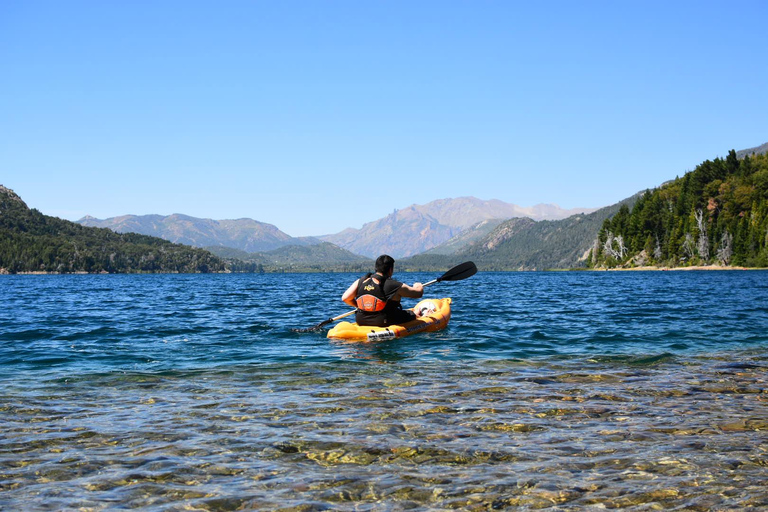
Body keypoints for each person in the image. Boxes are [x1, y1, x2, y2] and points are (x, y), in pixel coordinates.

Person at [342, 254, 424, 327]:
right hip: (383, 321)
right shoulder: (394, 285)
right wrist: (418, 286)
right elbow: (418, 294)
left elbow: (345, 298)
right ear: (390, 270)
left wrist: (359, 306)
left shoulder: (361, 281)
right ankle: (416, 314)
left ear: (376, 268)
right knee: (411, 314)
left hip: (361, 320)